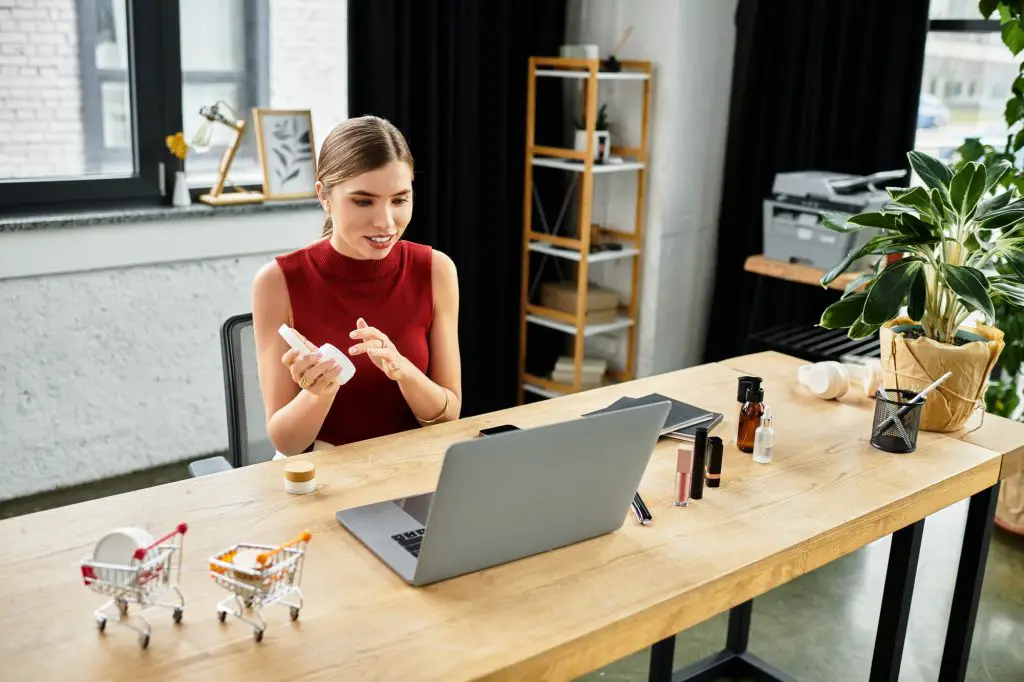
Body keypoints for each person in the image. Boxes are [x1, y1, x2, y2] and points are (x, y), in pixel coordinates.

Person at [251, 115, 462, 455]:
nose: (385, 222)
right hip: (325, 474)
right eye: (363, 201)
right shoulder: (277, 283)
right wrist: (318, 393)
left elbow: (449, 416)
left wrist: (403, 370)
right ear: (325, 197)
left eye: (399, 200)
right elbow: (287, 443)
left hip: (412, 468)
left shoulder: (436, 270)